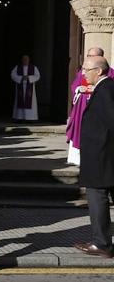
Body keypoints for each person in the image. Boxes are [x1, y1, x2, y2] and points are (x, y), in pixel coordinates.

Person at [73, 56, 114, 259]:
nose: (83, 73)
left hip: (101, 157)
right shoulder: (105, 88)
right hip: (103, 156)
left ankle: (101, 243)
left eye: (86, 69)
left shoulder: (105, 90)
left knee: (97, 198)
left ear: (98, 71)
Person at [66, 47, 114, 165]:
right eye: (88, 55)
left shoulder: (110, 72)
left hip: (100, 108)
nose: (89, 58)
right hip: (82, 105)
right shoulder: (84, 71)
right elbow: (74, 86)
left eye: (92, 56)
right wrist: (79, 89)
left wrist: (96, 89)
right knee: (81, 129)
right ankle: (78, 159)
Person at [11, 54, 40, 122]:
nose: (25, 60)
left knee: (30, 102)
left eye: (26, 59)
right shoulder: (17, 67)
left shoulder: (33, 67)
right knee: (20, 101)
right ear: (22, 60)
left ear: (29, 60)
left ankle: (30, 118)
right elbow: (12, 75)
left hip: (30, 87)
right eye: (24, 59)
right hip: (20, 87)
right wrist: (21, 78)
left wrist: (29, 78)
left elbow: (38, 76)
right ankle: (19, 118)